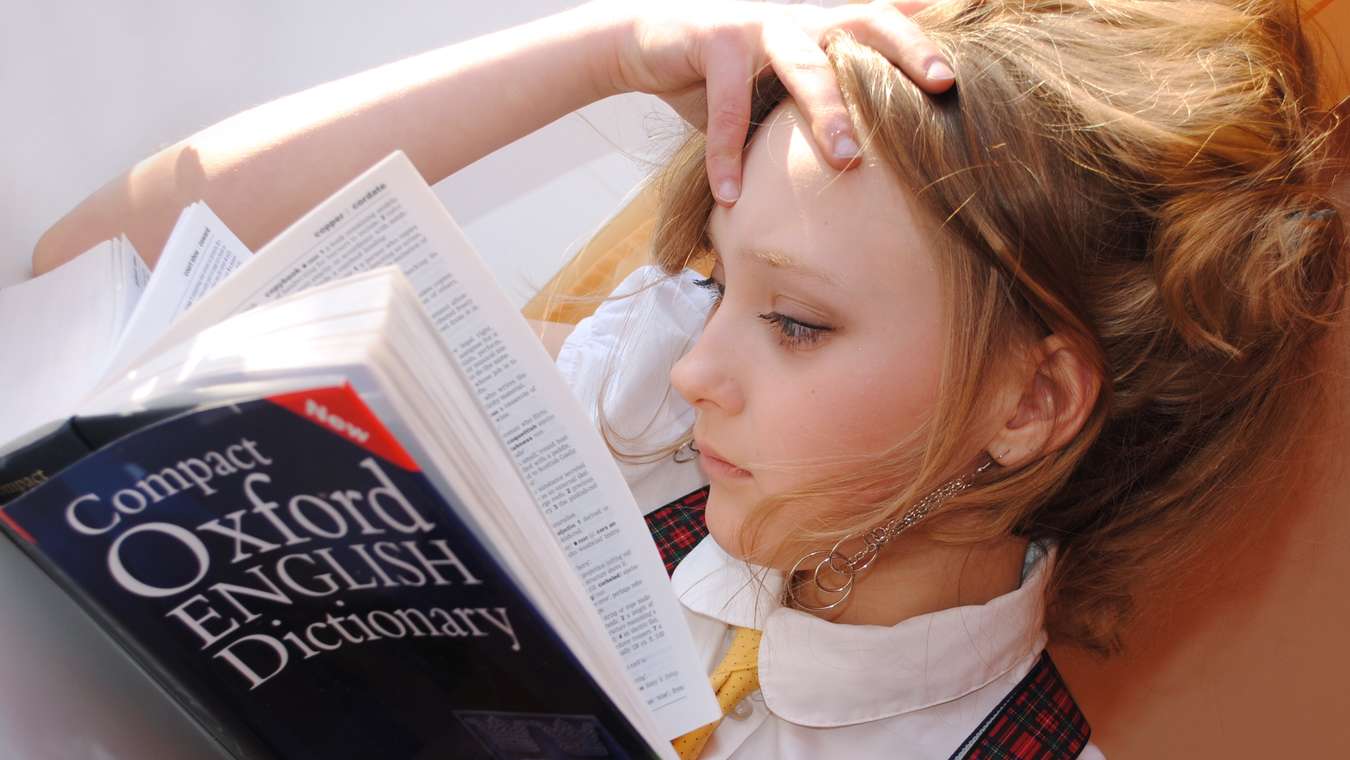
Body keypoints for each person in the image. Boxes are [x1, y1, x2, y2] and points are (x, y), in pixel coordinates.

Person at [32, 0, 1347, 758]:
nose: (704, 365)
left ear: (1027, 405)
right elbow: (87, 268)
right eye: (721, 284)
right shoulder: (640, 437)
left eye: (798, 325)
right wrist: (602, 54)